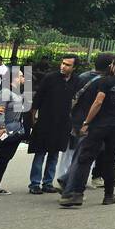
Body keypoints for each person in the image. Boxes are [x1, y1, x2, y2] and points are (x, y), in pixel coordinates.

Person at [60, 54, 115, 209]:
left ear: (114, 66)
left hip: (99, 125)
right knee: (111, 161)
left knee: (85, 158)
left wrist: (86, 122)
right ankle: (109, 195)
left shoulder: (105, 82)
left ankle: (76, 193)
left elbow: (98, 102)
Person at [56, 53, 113, 192]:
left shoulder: (82, 77)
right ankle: (69, 180)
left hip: (76, 118)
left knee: (71, 152)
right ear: (109, 65)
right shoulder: (106, 81)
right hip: (91, 121)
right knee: (84, 152)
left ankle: (68, 178)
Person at [26, 53, 77, 194]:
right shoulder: (50, 78)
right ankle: (34, 183)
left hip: (62, 124)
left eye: (67, 65)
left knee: (54, 154)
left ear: (74, 67)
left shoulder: (75, 81)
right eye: (63, 63)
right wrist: (33, 118)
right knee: (40, 153)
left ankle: (48, 182)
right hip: (45, 121)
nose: (63, 66)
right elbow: (38, 98)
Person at [0, 69, 29, 197]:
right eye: (21, 76)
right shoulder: (5, 92)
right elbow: (0, 112)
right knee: (2, 157)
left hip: (15, 130)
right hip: (4, 130)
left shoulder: (17, 93)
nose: (23, 78)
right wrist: (0, 128)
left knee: (6, 158)